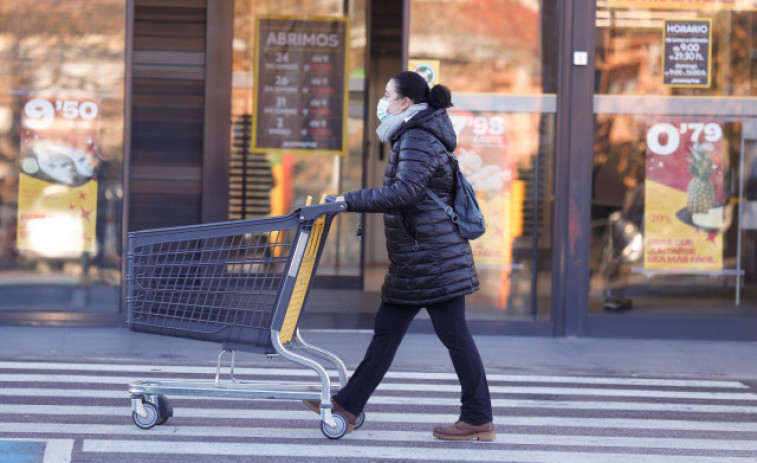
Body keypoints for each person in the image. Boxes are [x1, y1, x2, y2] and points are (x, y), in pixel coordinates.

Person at [304, 71, 495, 441]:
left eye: (388, 94)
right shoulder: (417, 133)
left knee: (454, 336)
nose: (383, 101)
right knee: (387, 332)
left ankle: (478, 417)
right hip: (420, 257)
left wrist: (348, 201)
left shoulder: (417, 137)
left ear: (405, 102)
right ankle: (348, 405)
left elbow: (404, 193)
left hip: (433, 259)